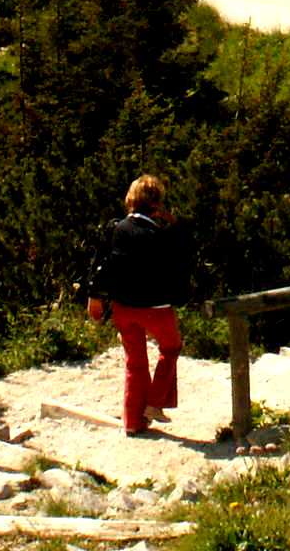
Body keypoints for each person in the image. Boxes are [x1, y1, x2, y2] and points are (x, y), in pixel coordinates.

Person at [86, 175, 188, 436]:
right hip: (156, 308)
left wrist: (95, 298)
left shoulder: (117, 229)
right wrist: (174, 224)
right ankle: (154, 403)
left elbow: (101, 265)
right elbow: (183, 259)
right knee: (171, 348)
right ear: (157, 205)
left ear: (131, 199)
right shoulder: (160, 234)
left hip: (124, 307)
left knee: (135, 363)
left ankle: (132, 422)